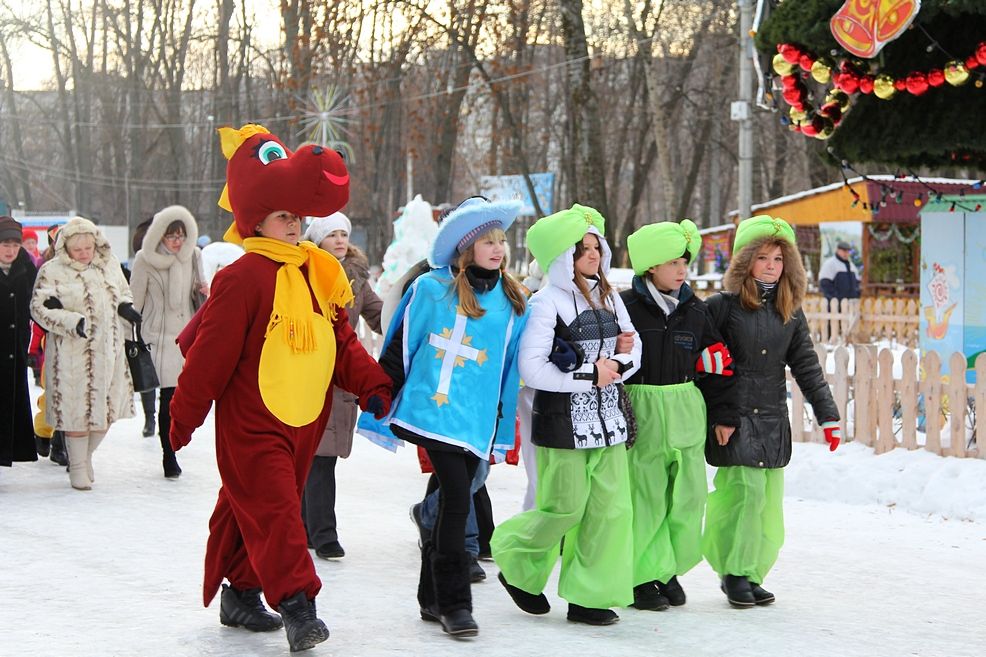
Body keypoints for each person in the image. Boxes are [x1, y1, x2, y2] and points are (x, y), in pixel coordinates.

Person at [168, 124, 392, 653]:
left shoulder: (318, 273)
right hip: (253, 421)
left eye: (298, 217)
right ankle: (298, 604)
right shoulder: (242, 277)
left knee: (252, 508)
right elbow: (209, 359)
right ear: (256, 221)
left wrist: (372, 385)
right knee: (277, 513)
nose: (294, 225)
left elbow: (341, 343)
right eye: (283, 216)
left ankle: (241, 593)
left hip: (304, 419)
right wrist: (183, 416)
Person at [358, 196, 528, 638]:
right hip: (434, 412)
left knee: (456, 498)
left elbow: (514, 362)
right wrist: (381, 389)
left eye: (501, 241)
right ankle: (455, 604)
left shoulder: (511, 301)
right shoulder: (433, 289)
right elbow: (401, 342)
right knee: (456, 497)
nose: (497, 249)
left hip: (476, 419)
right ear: (465, 249)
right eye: (487, 241)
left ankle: (430, 598)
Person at [492, 204, 640, 627]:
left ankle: (588, 597)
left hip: (608, 420)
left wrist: (616, 367)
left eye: (596, 248)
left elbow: (634, 349)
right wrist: (594, 373)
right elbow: (532, 369)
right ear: (561, 258)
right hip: (562, 423)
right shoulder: (545, 304)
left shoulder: (610, 297)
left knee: (610, 511)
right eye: (582, 250)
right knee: (564, 508)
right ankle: (517, 564)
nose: (593, 256)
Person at [702, 215, 841, 608]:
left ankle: (751, 571)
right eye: (762, 257)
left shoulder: (789, 313)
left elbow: (807, 367)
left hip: (772, 421)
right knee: (741, 497)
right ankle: (733, 571)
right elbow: (704, 363)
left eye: (778, 260)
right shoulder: (722, 308)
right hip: (734, 417)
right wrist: (717, 416)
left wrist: (827, 415)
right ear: (745, 261)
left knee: (766, 505)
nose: (770, 266)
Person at [620, 219, 738, 611]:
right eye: (673, 262)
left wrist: (723, 414)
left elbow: (718, 364)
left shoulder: (695, 310)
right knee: (647, 498)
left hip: (686, 410)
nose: (682, 270)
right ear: (651, 266)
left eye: (684, 262)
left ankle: (667, 567)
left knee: (687, 499)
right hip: (644, 408)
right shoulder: (627, 307)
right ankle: (641, 576)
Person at [30, 217, 139, 490]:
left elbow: (124, 292)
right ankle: (77, 466)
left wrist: (126, 307)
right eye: (77, 250)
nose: (84, 254)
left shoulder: (109, 264)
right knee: (77, 413)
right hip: (72, 353)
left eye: (88, 248)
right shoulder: (52, 270)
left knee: (108, 412)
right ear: (66, 248)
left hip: (110, 351)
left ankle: (86, 456)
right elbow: (39, 308)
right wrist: (71, 321)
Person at [301, 211, 384, 560]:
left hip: (340, 376)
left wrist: (412, 326)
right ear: (316, 239)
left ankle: (309, 528)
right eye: (331, 234)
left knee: (323, 457)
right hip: (305, 372)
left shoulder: (357, 279)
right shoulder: (303, 274)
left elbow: (380, 315)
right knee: (314, 457)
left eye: (343, 233)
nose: (339, 240)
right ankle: (322, 533)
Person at [129, 205, 207, 478]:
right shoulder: (144, 260)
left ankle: (173, 444)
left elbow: (200, 295)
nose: (177, 242)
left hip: (186, 339)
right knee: (167, 397)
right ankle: (168, 454)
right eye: (171, 236)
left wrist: (205, 291)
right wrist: (130, 340)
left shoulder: (194, 256)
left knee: (178, 398)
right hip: (157, 339)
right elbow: (134, 302)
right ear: (160, 235)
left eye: (181, 236)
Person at [1, 216, 39, 468]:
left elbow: (38, 302)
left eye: (15, 245)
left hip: (14, 349)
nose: (11, 250)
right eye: (5, 244)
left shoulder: (27, 268)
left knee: (8, 405)